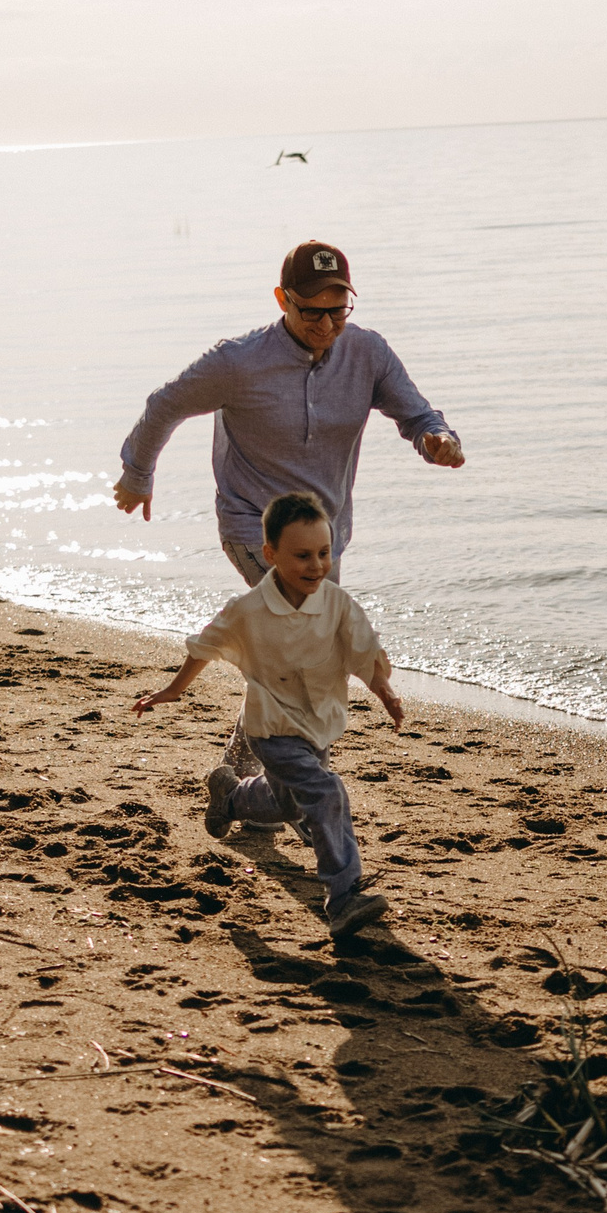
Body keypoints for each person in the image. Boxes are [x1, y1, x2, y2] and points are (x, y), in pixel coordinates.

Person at [114, 238, 462, 771]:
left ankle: (238, 775)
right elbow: (165, 405)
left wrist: (437, 439)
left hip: (324, 539)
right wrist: (138, 475)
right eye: (311, 311)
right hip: (255, 528)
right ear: (283, 300)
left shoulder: (367, 354)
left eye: (337, 311)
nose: (326, 325)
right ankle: (297, 781)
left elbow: (418, 415)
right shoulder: (237, 362)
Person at [132, 492, 402, 941]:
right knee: (326, 791)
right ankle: (344, 897)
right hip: (273, 730)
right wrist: (173, 691)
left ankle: (231, 798)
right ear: (270, 554)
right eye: (302, 555)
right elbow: (205, 645)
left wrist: (385, 691)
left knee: (290, 804)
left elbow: (363, 653)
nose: (316, 565)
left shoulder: (337, 604)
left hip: (317, 726)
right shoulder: (248, 610)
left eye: (324, 553)